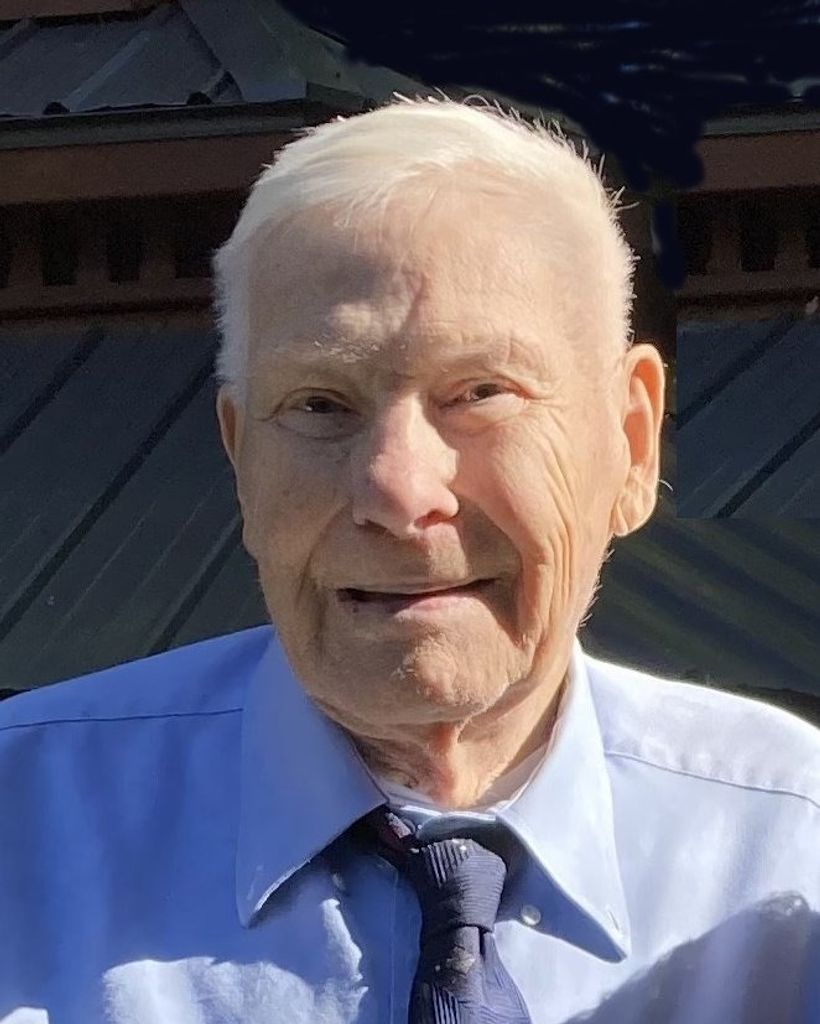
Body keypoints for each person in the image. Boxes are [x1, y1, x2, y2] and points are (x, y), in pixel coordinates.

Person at [0, 96, 818, 1024]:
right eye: (319, 405)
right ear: (241, 458)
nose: (396, 489)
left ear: (631, 443)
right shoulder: (21, 832)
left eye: (481, 392)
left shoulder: (789, 852)